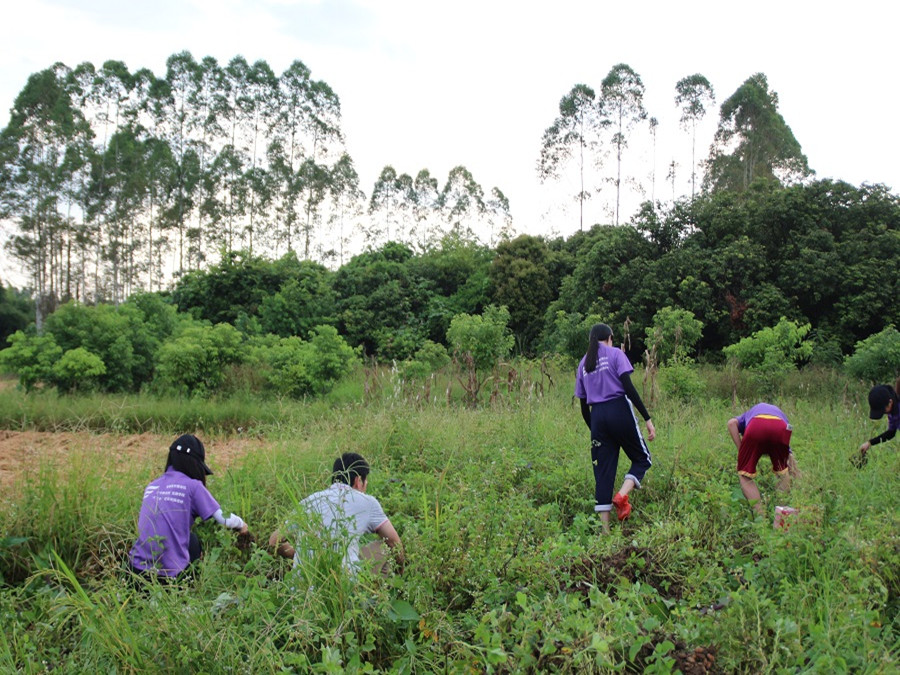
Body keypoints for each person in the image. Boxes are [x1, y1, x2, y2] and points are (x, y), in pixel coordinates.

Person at [129, 434, 248, 582]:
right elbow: (225, 520)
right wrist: (242, 525)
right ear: (195, 464)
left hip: (135, 571)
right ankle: (190, 585)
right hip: (167, 578)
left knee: (188, 538)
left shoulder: (152, 486)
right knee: (193, 543)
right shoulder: (193, 486)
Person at [575, 323, 655, 533]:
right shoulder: (615, 354)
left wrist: (595, 431)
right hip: (619, 409)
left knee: (603, 473)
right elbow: (629, 388)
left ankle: (605, 532)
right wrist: (647, 418)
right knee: (642, 459)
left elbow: (583, 406)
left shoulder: (583, 364)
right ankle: (621, 495)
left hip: (597, 417)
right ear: (609, 338)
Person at [269, 452, 404, 576]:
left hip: (302, 586)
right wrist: (401, 572)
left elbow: (274, 541)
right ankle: (375, 592)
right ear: (358, 481)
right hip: (345, 585)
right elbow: (394, 543)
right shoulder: (368, 502)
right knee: (384, 547)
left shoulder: (309, 501)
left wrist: (297, 555)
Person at [727, 403, 795, 514]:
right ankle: (781, 513)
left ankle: (760, 515)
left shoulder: (745, 417)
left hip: (756, 425)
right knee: (782, 472)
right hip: (782, 426)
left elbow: (731, 423)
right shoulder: (781, 415)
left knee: (744, 475)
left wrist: (741, 451)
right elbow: (788, 451)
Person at [857, 380, 900, 460]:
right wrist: (869, 443)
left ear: (890, 402)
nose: (885, 413)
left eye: (883, 411)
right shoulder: (893, 410)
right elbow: (891, 433)